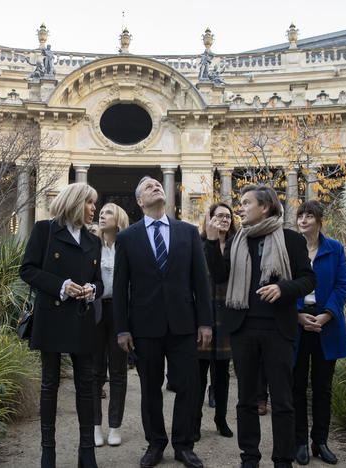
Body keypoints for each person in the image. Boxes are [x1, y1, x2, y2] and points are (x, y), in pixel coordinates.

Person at [204, 185, 316, 468]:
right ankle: (249, 458)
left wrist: (283, 288)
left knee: (282, 400)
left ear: (264, 207)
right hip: (243, 329)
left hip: (279, 329)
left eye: (245, 203)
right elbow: (219, 276)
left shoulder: (290, 239)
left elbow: (308, 280)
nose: (239, 208)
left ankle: (282, 460)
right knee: (246, 400)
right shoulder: (237, 241)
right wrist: (211, 240)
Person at [113, 176, 212, 468]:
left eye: (158, 185)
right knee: (150, 389)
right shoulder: (127, 237)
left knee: (188, 386)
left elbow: (200, 282)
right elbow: (120, 287)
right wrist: (122, 328)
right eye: (147, 187)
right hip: (144, 326)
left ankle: (184, 445)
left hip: (184, 324)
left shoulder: (188, 232)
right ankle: (155, 443)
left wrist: (205, 322)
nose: (156, 187)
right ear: (140, 201)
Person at [19, 182, 103, 468]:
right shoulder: (45, 230)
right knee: (49, 384)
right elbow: (27, 269)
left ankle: (87, 452)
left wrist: (93, 288)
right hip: (52, 316)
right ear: (76, 202)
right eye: (90, 203)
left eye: (95, 203)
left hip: (81, 318)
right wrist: (62, 285)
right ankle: (48, 452)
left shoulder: (94, 241)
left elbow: (100, 281)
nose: (95, 209)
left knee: (86, 385)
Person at [293, 200, 346, 466]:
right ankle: (300, 442)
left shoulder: (334, 248)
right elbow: (279, 283)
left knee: (323, 388)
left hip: (326, 323)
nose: (303, 220)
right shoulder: (290, 248)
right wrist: (297, 315)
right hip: (296, 323)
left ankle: (320, 442)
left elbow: (342, 285)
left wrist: (326, 315)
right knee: (296, 386)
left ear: (319, 220)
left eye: (309, 216)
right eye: (300, 216)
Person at [195, 202, 237, 441]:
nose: (224, 219)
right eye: (219, 215)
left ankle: (221, 419)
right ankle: (195, 421)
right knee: (199, 373)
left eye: (228, 216)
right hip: (204, 314)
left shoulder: (235, 246)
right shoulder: (198, 245)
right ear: (208, 218)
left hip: (226, 316)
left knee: (222, 375)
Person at [93, 203, 130, 448]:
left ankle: (115, 426)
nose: (101, 216)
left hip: (120, 312)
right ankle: (95, 426)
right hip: (95, 312)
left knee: (118, 372)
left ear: (119, 219)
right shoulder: (91, 246)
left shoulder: (127, 246)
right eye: (101, 213)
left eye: (107, 212)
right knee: (94, 373)